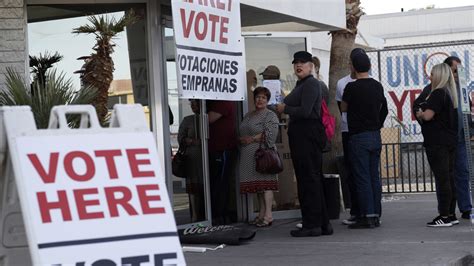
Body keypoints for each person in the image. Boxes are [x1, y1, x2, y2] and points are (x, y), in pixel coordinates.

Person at [276, 51, 332, 237]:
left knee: (309, 180)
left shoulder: (311, 84)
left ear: (311, 66)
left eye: (302, 62)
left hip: (307, 136)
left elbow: (307, 111)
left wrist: (286, 109)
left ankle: (312, 224)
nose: (298, 65)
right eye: (296, 63)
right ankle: (322, 224)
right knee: (310, 179)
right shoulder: (302, 84)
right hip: (302, 136)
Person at [414, 56, 471, 221]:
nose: (458, 75)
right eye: (454, 71)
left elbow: (466, 112)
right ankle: (445, 211)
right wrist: (423, 119)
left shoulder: (462, 89)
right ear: (446, 71)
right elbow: (419, 106)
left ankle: (464, 208)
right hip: (444, 140)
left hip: (459, 138)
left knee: (461, 172)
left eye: (460, 71)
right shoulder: (433, 89)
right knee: (444, 175)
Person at [341, 49, 388, 229]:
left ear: (353, 66)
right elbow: (384, 108)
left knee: (361, 177)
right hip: (375, 134)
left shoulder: (351, 87)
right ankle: (376, 214)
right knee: (374, 176)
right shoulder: (377, 85)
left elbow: (344, 108)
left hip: (358, 135)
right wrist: (377, 124)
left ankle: (366, 215)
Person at [239, 86, 279, 227]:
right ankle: (261, 214)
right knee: (259, 187)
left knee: (266, 184)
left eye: (263, 97)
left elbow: (271, 133)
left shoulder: (270, 115)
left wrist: (251, 139)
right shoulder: (248, 115)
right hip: (249, 157)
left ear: (267, 100)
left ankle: (268, 215)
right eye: (257, 97)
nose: (260, 100)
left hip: (264, 156)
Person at [335, 48, 363, 225]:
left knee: (366, 173)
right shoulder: (341, 83)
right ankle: (355, 210)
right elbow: (341, 108)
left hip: (365, 131)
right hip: (348, 130)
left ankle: (369, 210)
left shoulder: (372, 81)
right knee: (352, 172)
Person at [207, 100, 238, 225]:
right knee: (216, 183)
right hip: (216, 148)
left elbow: (208, 119)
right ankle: (218, 214)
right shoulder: (217, 101)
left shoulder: (223, 100)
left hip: (223, 149)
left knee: (221, 184)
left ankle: (220, 215)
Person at [177, 99, 204, 222]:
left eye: (195, 104)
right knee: (193, 188)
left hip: (206, 158)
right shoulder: (187, 120)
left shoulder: (207, 118)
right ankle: (194, 216)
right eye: (191, 104)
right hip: (192, 158)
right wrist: (192, 141)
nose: (193, 106)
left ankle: (206, 215)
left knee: (206, 187)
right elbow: (181, 138)